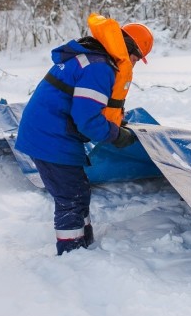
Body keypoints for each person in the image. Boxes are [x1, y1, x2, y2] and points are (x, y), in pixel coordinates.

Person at [15, 14, 153, 255]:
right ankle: (72, 254)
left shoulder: (92, 59)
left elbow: (88, 107)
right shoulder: (99, 68)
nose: (133, 64)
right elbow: (87, 120)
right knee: (71, 196)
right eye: (136, 59)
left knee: (78, 191)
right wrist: (116, 135)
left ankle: (82, 243)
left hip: (50, 132)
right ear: (130, 50)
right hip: (51, 137)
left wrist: (115, 121)